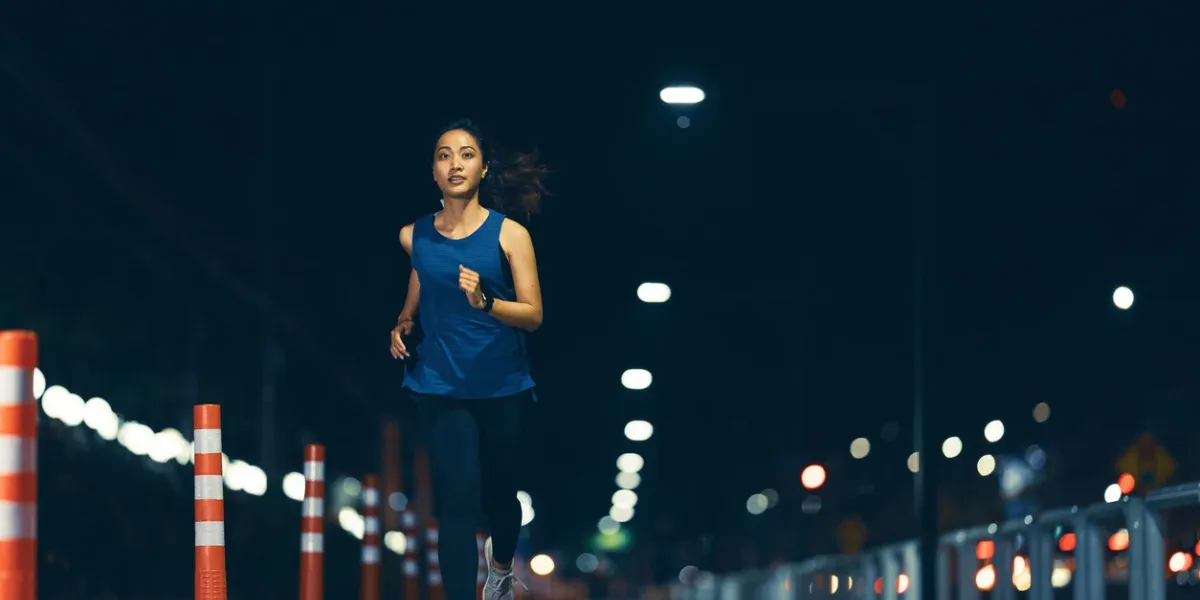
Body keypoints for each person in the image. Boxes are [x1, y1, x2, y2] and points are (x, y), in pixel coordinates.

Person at [389, 118, 547, 600]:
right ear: (433, 173)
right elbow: (423, 277)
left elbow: (534, 315)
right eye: (443, 155)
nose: (454, 163)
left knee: (501, 495)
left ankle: (499, 570)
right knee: (457, 501)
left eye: (465, 154)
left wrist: (488, 304)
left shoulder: (510, 235)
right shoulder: (412, 236)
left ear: (483, 168)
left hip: (503, 385)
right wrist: (403, 321)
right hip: (440, 383)